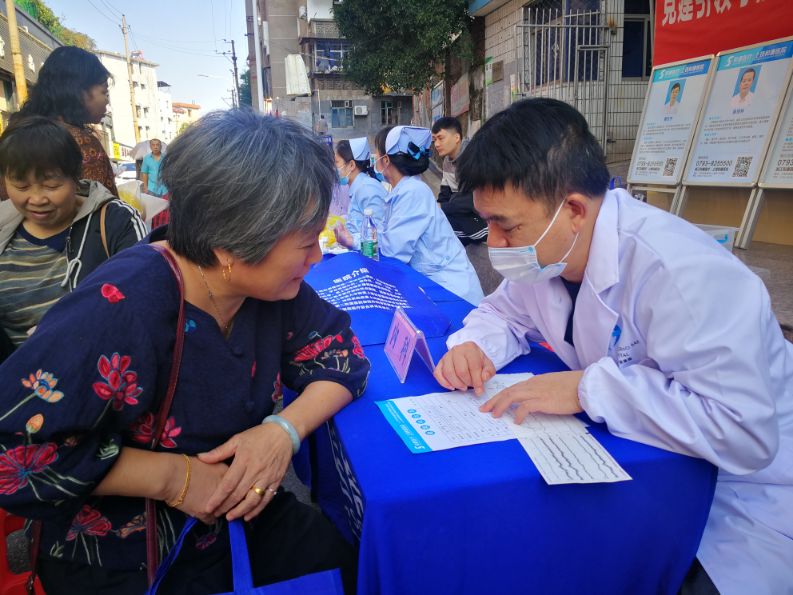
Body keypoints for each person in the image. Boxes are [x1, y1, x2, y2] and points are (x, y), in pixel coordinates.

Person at [0, 110, 370, 594]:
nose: (317, 258)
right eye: (305, 243)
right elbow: (15, 453)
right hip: (124, 550)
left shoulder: (272, 292)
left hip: (232, 515)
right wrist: (176, 478)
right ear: (232, 243)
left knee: (341, 563)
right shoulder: (121, 308)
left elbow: (343, 358)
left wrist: (281, 431)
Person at [432, 98, 792, 595]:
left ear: (574, 210)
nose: (493, 244)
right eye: (486, 222)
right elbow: (501, 313)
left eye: (506, 226)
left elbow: (743, 430)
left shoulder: (680, 272)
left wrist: (588, 390)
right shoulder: (549, 256)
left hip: (744, 494)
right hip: (650, 468)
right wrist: (474, 346)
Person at [0, 116, 146, 360]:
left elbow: (146, 298)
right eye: (22, 187)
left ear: (75, 175)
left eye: (51, 185)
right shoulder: (4, 228)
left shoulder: (115, 222)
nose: (37, 199)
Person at [369, 125, 483, 305]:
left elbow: (393, 252)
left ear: (386, 160)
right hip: (439, 287)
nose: (374, 158)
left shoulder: (412, 192)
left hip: (454, 293)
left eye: (377, 153)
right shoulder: (404, 190)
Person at [14, 46, 118, 195]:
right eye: (104, 91)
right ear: (79, 91)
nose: (106, 101)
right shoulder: (83, 144)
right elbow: (105, 205)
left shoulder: (16, 134)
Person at [431, 117, 488, 245]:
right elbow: (445, 191)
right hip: (462, 213)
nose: (436, 144)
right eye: (434, 140)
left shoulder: (474, 158)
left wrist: (443, 207)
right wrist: (437, 209)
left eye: (441, 138)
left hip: (482, 216)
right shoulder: (447, 161)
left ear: (456, 138)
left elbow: (474, 200)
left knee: (444, 233)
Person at [332, 137, 386, 248]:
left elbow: (379, 236)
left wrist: (352, 242)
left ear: (351, 165)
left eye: (336, 162)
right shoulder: (358, 188)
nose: (334, 167)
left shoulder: (367, 189)